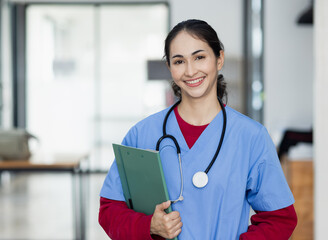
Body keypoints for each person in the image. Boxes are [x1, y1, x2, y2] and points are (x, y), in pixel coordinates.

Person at [99, 19, 297, 239]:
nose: (190, 71)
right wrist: (148, 226)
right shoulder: (142, 134)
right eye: (179, 61)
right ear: (170, 67)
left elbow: (280, 218)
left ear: (219, 59)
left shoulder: (251, 137)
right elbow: (109, 210)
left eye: (199, 57)